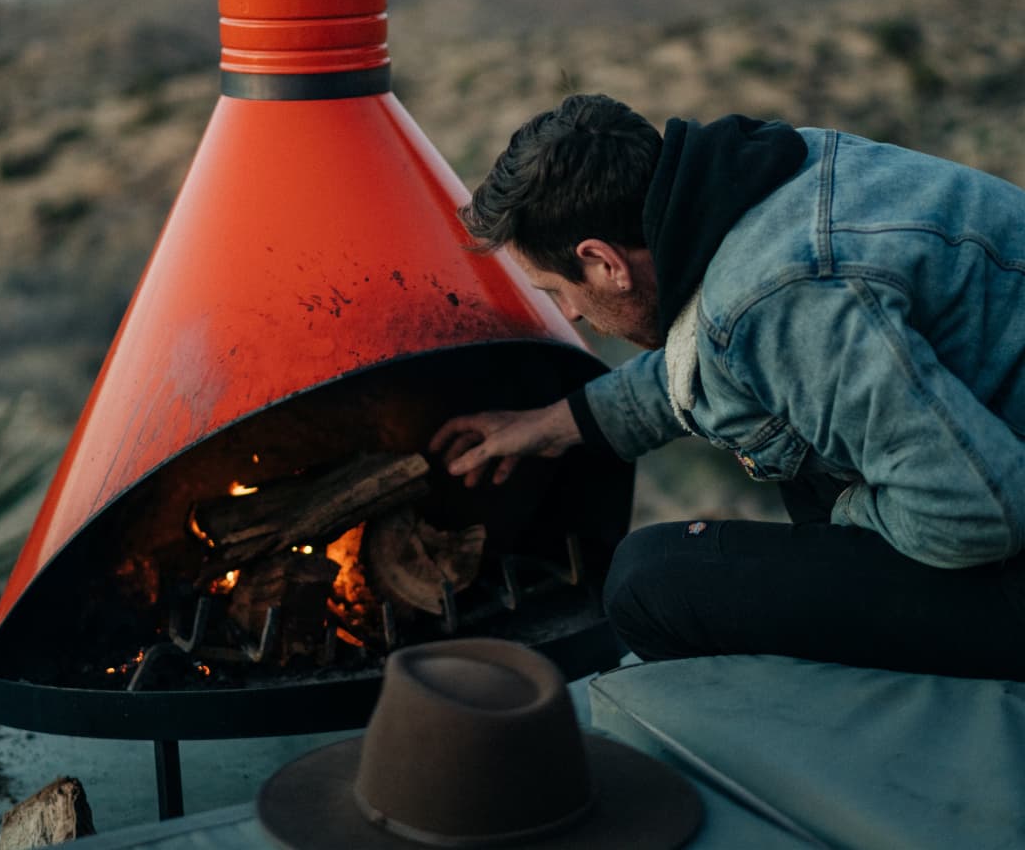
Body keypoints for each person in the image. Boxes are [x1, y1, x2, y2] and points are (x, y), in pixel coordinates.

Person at [429, 93, 1025, 680]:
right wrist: (558, 422)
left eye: (557, 289)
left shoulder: (781, 300)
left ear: (604, 262)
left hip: (995, 531)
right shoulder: (767, 175)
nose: (573, 315)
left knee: (650, 581)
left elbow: (979, 517)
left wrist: (844, 514)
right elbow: (712, 355)